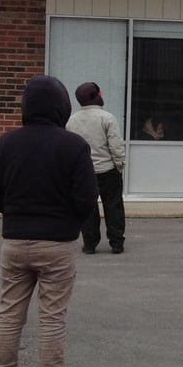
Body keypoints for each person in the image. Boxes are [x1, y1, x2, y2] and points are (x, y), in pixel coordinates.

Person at [0, 75, 99, 367]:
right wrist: (68, 221)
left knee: (9, 315)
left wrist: (17, 214)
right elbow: (86, 198)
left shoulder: (3, 145)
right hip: (57, 243)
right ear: (62, 107)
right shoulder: (74, 146)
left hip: (14, 241)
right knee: (52, 319)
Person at [67, 82, 127, 255]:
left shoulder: (72, 120)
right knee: (114, 206)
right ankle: (116, 243)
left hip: (84, 172)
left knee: (88, 208)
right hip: (108, 170)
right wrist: (120, 164)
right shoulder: (107, 118)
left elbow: (70, 146)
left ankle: (90, 244)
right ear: (97, 96)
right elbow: (115, 145)